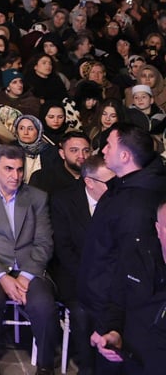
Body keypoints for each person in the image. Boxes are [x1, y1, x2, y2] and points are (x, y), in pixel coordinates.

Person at [0, 144, 59, 375]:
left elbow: (44, 242)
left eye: (19, 169)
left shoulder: (37, 197)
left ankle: (46, 366)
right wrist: (3, 277)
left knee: (43, 304)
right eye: (8, 169)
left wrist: (25, 276)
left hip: (28, 266)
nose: (15, 176)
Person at [82, 124, 166, 375]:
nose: (103, 150)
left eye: (109, 144)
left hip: (120, 319)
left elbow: (129, 269)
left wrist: (110, 322)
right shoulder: (126, 187)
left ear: (126, 156)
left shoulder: (137, 204)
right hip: (112, 311)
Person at [51, 155, 115, 375]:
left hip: (109, 275)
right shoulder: (63, 201)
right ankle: (87, 367)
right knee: (81, 312)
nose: (115, 187)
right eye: (110, 182)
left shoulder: (118, 201)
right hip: (75, 275)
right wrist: (90, 279)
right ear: (89, 182)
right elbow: (64, 248)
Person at [89, 199, 166, 375]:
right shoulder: (136, 259)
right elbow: (117, 304)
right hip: (129, 361)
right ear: (157, 229)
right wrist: (113, 333)